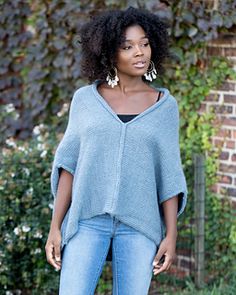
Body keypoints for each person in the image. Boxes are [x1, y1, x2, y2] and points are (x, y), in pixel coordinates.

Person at [45, 6, 188, 295]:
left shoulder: (164, 106)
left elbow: (169, 175)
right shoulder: (85, 100)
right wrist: (55, 226)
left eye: (145, 43)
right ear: (109, 52)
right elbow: (69, 166)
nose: (140, 52)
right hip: (87, 219)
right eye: (128, 46)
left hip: (140, 224)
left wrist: (170, 235)